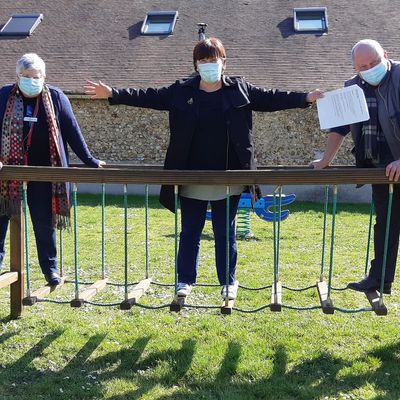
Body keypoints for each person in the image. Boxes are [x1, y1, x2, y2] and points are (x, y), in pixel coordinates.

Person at [85, 37, 322, 299]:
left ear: (224, 62)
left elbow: (271, 98)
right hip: (190, 176)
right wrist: (113, 94)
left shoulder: (239, 89)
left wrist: (305, 98)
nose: (209, 64)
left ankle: (228, 282)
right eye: (203, 60)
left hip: (228, 177)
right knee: (190, 232)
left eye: (214, 59)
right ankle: (185, 280)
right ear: (196, 64)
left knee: (225, 234)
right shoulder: (181, 91)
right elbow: (148, 96)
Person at [0, 53, 104, 285]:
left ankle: (50, 269)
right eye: (25, 76)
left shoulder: (56, 98)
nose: (30, 80)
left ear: (44, 76)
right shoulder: (4, 96)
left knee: (44, 222)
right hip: (7, 171)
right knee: (1, 215)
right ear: (17, 76)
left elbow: (72, 131)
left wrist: (90, 160)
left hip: (46, 172)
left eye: (35, 76)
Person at [311, 39, 400, 294]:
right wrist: (325, 161)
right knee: (385, 225)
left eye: (374, 63)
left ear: (385, 55)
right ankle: (380, 279)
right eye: (363, 66)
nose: (369, 69)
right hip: (382, 169)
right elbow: (339, 128)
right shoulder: (352, 88)